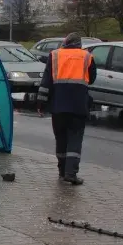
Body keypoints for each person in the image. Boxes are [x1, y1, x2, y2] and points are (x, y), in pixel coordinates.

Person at [36, 32, 97, 185]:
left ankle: (62, 172)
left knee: (61, 139)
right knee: (75, 140)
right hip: (78, 106)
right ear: (79, 44)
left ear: (65, 42)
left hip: (58, 106)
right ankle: (71, 173)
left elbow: (46, 82)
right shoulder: (87, 57)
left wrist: (41, 104)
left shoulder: (54, 55)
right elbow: (92, 78)